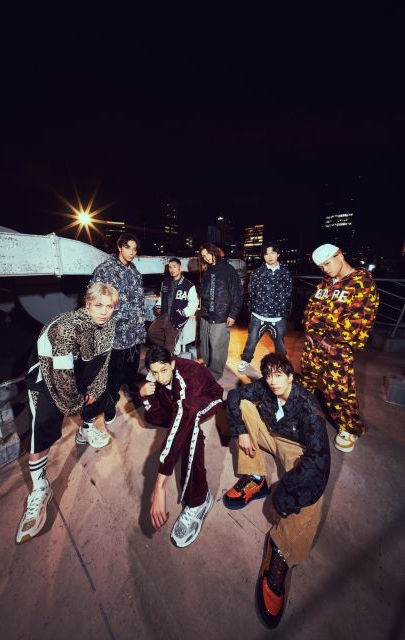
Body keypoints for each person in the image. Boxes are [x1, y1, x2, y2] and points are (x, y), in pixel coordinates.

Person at [223, 352, 330, 628]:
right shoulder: (265, 387)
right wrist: (240, 430)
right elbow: (234, 397)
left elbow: (318, 463)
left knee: (312, 495)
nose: (273, 381)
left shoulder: (308, 407)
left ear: (291, 376)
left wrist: (282, 498)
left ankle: (281, 549)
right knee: (243, 405)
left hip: (296, 448)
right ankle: (255, 476)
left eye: (279, 375)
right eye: (269, 375)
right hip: (271, 433)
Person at [16, 282, 119, 544]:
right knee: (41, 436)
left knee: (97, 397)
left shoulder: (108, 324)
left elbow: (103, 362)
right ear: (87, 303)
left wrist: (94, 389)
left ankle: (86, 431)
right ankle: (40, 488)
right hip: (47, 378)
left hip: (77, 372)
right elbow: (61, 379)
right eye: (99, 305)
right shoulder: (66, 328)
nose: (104, 311)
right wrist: (75, 405)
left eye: (109, 306)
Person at [139, 346, 223, 548]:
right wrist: (144, 395)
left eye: (164, 370)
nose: (160, 377)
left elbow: (181, 420)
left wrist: (159, 486)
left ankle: (199, 500)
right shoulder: (158, 377)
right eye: (154, 373)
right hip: (181, 400)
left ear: (173, 363)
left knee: (188, 429)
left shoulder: (188, 377)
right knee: (175, 423)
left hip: (208, 397)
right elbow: (152, 416)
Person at [300, 243, 379, 454]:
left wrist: (330, 338)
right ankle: (300, 410)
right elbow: (311, 308)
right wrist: (309, 329)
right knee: (306, 379)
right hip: (313, 344)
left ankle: (349, 427)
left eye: (327, 263)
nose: (325, 269)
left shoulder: (362, 283)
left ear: (339, 255)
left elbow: (360, 321)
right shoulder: (325, 283)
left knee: (339, 389)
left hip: (336, 348)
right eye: (321, 267)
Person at [89, 232, 146, 421]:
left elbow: (139, 300)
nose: (131, 252)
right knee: (113, 374)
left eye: (135, 249)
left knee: (131, 367)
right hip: (116, 334)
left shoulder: (134, 271)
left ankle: (130, 387)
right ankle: (110, 403)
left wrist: (140, 326)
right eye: (128, 247)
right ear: (119, 247)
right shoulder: (106, 270)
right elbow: (93, 300)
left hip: (134, 332)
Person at [238, 241, 292, 373]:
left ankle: (281, 365)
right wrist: (252, 310)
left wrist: (283, 311)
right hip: (258, 315)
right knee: (251, 341)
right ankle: (245, 360)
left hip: (278, 317)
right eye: (266, 254)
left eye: (273, 253)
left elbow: (288, 293)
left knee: (280, 346)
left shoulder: (285, 273)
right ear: (263, 256)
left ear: (278, 254)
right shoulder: (257, 272)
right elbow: (251, 292)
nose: (270, 256)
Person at [199, 243, 243, 380]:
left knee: (218, 347)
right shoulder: (207, 270)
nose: (206, 257)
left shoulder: (228, 270)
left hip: (221, 315)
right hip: (206, 314)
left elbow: (237, 293)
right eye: (203, 256)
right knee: (205, 345)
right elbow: (202, 291)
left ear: (214, 252)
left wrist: (233, 314)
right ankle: (207, 367)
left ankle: (215, 374)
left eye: (208, 254)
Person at [147, 257, 199, 355]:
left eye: (174, 266)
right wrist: (158, 306)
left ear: (180, 268)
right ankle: (171, 345)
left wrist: (184, 312)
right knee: (151, 332)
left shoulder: (189, 286)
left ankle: (170, 353)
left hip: (176, 318)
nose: (172, 269)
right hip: (164, 315)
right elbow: (162, 297)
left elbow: (194, 303)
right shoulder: (165, 282)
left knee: (169, 347)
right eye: (170, 267)